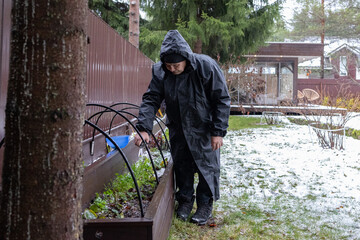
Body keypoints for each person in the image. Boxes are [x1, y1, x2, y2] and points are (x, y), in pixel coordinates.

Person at [134, 30, 230, 225]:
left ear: (185, 59)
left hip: (204, 127)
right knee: (182, 165)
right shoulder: (161, 71)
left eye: (176, 65)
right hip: (178, 127)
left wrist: (218, 132)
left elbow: (221, 99)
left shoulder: (206, 67)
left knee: (206, 166)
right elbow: (151, 99)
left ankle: (205, 204)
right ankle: (185, 201)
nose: (171, 68)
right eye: (168, 65)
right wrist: (144, 128)